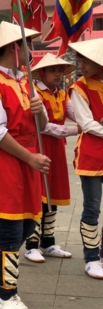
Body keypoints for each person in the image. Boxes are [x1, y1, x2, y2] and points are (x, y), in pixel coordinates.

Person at [0, 21, 49, 309]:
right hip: (6, 162)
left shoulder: (25, 82)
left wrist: (40, 112)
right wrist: (30, 158)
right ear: (15, 48)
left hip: (27, 160)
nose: (31, 50)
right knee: (11, 229)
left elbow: (41, 126)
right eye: (27, 45)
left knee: (29, 224)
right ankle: (7, 296)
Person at [23, 54, 78, 262]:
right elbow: (44, 127)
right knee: (39, 193)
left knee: (53, 192)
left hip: (57, 148)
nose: (57, 75)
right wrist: (77, 130)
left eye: (60, 71)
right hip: (39, 145)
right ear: (42, 73)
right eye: (52, 71)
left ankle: (48, 241)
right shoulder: (35, 94)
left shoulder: (62, 94)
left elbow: (77, 115)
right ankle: (31, 244)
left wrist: (91, 118)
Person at [68, 39, 103, 279]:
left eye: (86, 61)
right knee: (92, 207)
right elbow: (87, 123)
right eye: (79, 60)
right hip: (91, 153)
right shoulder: (79, 87)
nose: (81, 65)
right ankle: (91, 258)